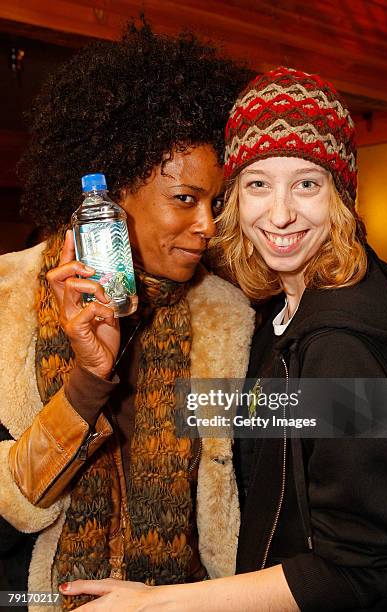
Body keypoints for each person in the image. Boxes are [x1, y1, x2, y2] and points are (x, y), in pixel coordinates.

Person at [55, 67, 387, 611]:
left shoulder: (347, 344)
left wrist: (158, 605)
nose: (279, 214)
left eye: (306, 183)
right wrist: (109, 375)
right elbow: (283, 433)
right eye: (257, 184)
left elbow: (359, 570)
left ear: (341, 195)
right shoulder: (286, 309)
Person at [0, 24, 255, 611]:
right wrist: (88, 382)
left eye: (216, 203)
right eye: (185, 199)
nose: (208, 226)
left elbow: (293, 434)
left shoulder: (227, 317)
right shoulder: (10, 301)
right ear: (111, 196)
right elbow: (11, 506)